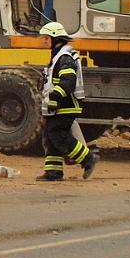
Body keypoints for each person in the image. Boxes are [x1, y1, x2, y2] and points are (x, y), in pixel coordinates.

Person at [37, 22, 98, 181]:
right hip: (56, 107)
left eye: (46, 38)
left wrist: (55, 99)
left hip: (65, 106)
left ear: (55, 38)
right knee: (50, 138)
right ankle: (53, 172)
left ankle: (88, 158)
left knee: (59, 136)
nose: (43, 41)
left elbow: (68, 81)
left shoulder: (64, 57)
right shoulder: (58, 56)